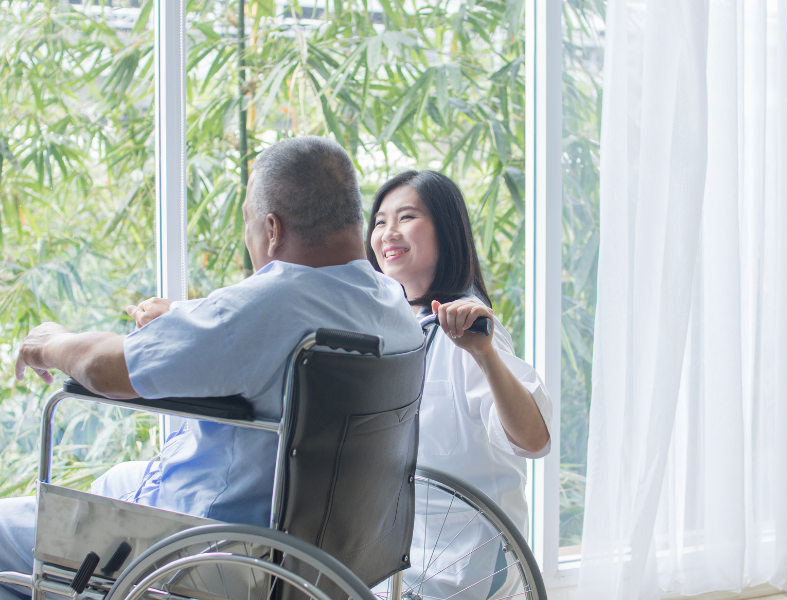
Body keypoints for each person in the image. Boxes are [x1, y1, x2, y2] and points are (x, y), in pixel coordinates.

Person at [2, 136, 423, 600]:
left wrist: (50, 342)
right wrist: (184, 320)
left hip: (210, 550)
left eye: (246, 221)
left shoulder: (272, 305)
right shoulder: (393, 305)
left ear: (272, 228)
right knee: (115, 479)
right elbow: (252, 331)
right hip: (326, 550)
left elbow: (102, 369)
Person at [367, 170, 552, 597]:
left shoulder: (472, 333)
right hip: (395, 560)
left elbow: (533, 439)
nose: (388, 232)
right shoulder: (388, 328)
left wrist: (483, 354)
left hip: (465, 568)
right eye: (379, 221)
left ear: (446, 232)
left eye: (406, 217)